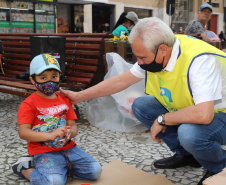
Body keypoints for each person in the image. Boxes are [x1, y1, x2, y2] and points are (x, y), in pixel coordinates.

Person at [60, 17, 226, 185]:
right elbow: (120, 81)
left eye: (142, 57)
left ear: (162, 50)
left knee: (189, 134)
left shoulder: (199, 62)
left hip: (220, 113)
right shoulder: (160, 50)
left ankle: (219, 169)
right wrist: (78, 96)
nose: (139, 63)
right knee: (141, 106)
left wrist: (163, 119)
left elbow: (204, 114)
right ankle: (188, 155)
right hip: (193, 108)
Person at [12, 54, 102, 184]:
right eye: (43, 77)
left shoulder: (65, 100)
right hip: (44, 151)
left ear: (60, 76)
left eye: (54, 76)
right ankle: (26, 169)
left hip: (69, 149)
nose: (50, 82)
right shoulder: (28, 104)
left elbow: (73, 125)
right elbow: (23, 133)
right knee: (55, 182)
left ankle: (61, 169)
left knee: (95, 171)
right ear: (33, 80)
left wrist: (71, 133)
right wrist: (49, 136)